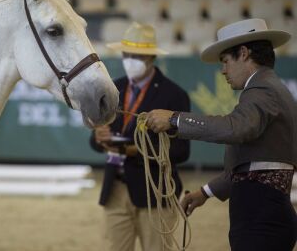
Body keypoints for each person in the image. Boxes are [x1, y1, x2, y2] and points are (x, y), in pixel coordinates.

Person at [145, 18, 297, 251]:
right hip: (266, 212)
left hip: (260, 216)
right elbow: (254, 165)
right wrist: (205, 192)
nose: (223, 70)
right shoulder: (271, 87)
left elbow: (236, 128)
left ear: (244, 53)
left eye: (225, 61)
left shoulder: (262, 88)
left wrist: (175, 119)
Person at [89, 22, 190, 251]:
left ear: (151, 58)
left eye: (138, 55)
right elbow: (96, 142)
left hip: (155, 193)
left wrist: (140, 150)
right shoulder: (114, 88)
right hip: (114, 189)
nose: (130, 60)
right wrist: (98, 137)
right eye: (127, 54)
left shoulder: (174, 95)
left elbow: (182, 151)